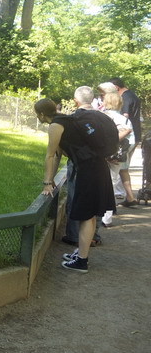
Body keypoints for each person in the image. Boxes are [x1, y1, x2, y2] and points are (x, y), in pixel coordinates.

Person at [35, 87, 116, 273]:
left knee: (86, 216)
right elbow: (58, 155)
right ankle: (81, 252)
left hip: (90, 170)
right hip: (95, 167)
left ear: (40, 114)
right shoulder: (65, 119)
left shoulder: (56, 125)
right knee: (90, 215)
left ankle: (81, 261)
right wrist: (50, 180)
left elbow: (49, 155)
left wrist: (47, 183)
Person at [101, 91, 134, 226]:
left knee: (98, 182)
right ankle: (107, 217)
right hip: (116, 156)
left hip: (100, 154)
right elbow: (130, 141)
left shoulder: (100, 117)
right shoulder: (125, 120)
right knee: (112, 183)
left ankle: (96, 212)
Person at [109, 77, 142, 184]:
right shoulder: (131, 94)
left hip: (128, 137)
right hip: (135, 133)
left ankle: (121, 193)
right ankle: (125, 194)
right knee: (124, 166)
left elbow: (125, 115)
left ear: (116, 87)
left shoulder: (125, 97)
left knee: (121, 166)